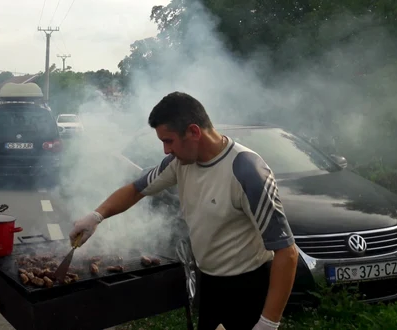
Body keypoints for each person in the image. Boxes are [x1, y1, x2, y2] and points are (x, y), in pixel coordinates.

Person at [69, 92, 299, 330]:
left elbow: (286, 252)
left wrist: (268, 323)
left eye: (168, 141)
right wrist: (97, 216)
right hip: (209, 282)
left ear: (194, 132)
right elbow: (136, 189)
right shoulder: (179, 163)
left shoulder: (247, 171)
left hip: (248, 287)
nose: (166, 150)